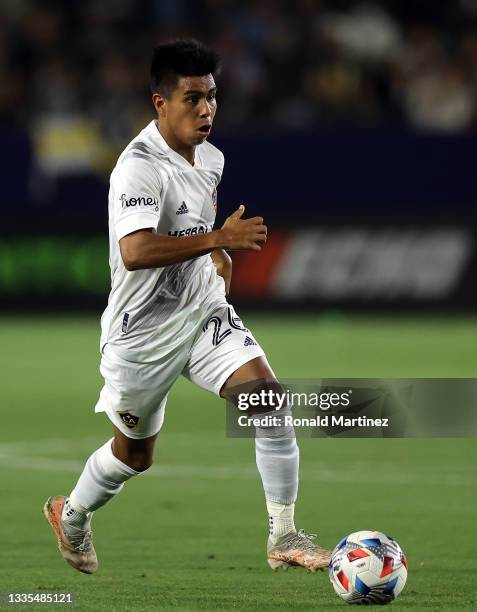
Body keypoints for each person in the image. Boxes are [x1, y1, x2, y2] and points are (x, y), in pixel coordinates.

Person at [43, 39, 331, 575]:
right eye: (193, 99)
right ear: (160, 104)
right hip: (140, 337)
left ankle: (284, 535)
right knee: (135, 456)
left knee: (268, 401)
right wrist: (216, 238)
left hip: (200, 314)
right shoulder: (137, 167)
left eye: (212, 97)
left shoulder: (211, 157)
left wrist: (216, 251)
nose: (206, 110)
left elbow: (195, 230)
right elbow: (135, 251)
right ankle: (73, 512)